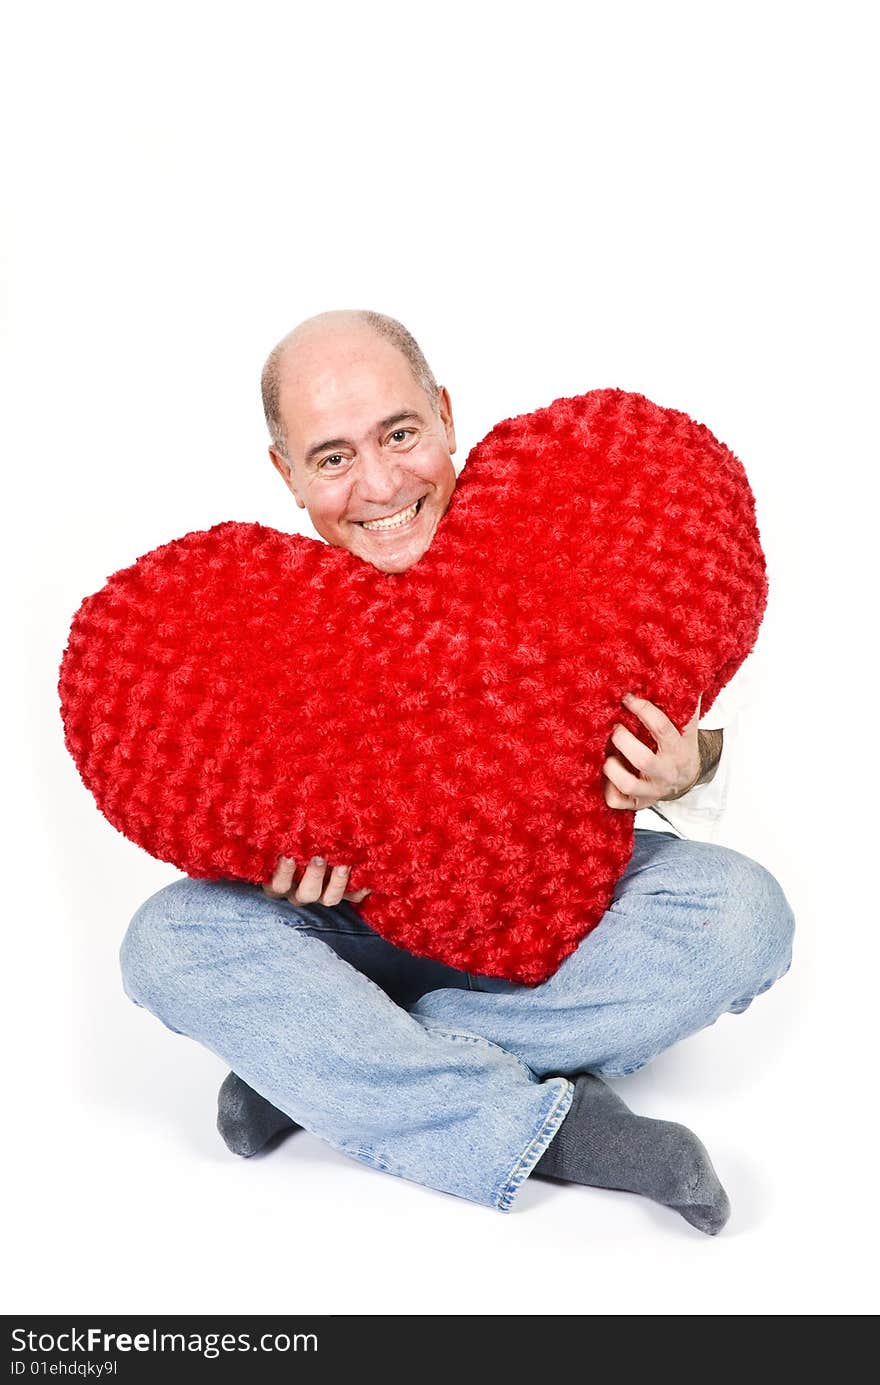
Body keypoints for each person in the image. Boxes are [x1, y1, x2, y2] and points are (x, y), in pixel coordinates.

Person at [119, 309, 795, 1234]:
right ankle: (549, 1131)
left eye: (400, 434)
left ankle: (329, 1070)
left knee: (744, 917)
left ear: (443, 415)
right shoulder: (263, 632)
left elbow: (668, 703)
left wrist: (687, 767)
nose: (380, 482)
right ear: (287, 474)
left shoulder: (563, 546)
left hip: (549, 890)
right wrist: (262, 854)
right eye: (333, 457)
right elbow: (204, 775)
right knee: (168, 939)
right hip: (355, 914)